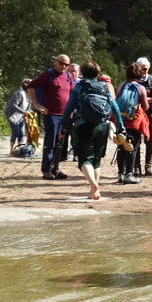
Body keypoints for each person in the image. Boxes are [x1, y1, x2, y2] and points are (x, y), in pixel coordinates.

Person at [61, 59, 122, 201]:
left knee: (84, 160)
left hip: (83, 125)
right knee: (96, 160)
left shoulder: (79, 87)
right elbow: (115, 108)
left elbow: (68, 108)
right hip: (102, 125)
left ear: (83, 73)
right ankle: (93, 191)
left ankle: (93, 185)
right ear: (97, 74)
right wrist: (121, 127)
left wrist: (63, 126)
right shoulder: (104, 87)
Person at [26, 53, 76, 180]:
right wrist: (37, 105)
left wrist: (71, 111)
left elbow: (71, 94)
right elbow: (31, 86)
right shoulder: (47, 74)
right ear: (56, 62)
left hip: (64, 115)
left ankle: (55, 168)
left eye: (66, 64)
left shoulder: (68, 77)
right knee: (51, 142)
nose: (64, 66)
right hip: (51, 114)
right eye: (61, 63)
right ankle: (47, 170)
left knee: (60, 143)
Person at [114, 62, 152, 184]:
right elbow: (146, 107)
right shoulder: (140, 88)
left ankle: (120, 174)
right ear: (139, 74)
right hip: (133, 121)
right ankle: (129, 174)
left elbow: (116, 100)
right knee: (132, 147)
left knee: (121, 147)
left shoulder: (122, 86)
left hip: (121, 121)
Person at [134, 57, 152, 176]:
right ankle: (136, 166)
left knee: (149, 139)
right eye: (142, 68)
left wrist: (142, 99)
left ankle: (148, 166)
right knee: (136, 139)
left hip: (149, 113)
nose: (144, 71)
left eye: (146, 69)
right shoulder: (134, 80)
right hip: (136, 113)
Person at [5, 79, 31, 155]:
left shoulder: (29, 94)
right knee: (15, 133)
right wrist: (23, 112)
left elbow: (27, 107)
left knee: (22, 133)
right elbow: (13, 104)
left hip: (21, 116)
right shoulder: (19, 93)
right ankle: (11, 150)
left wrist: (31, 112)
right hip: (12, 115)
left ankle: (20, 150)